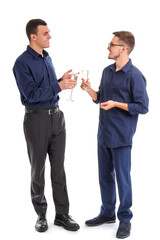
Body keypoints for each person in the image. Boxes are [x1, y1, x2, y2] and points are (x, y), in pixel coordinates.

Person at [13, 19, 80, 233]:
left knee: (59, 169)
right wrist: (59, 85)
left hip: (57, 118)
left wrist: (61, 80)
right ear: (33, 36)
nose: (49, 36)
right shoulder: (22, 63)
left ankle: (62, 214)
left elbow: (48, 87)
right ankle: (41, 215)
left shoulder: (46, 57)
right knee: (38, 169)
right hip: (36, 120)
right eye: (46, 33)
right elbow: (31, 94)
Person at [81, 31, 149, 238]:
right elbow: (101, 98)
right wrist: (89, 90)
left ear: (124, 48)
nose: (108, 48)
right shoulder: (107, 71)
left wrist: (117, 104)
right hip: (103, 133)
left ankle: (125, 218)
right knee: (104, 176)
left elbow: (142, 107)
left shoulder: (135, 75)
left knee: (122, 178)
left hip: (121, 136)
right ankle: (107, 213)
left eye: (111, 44)